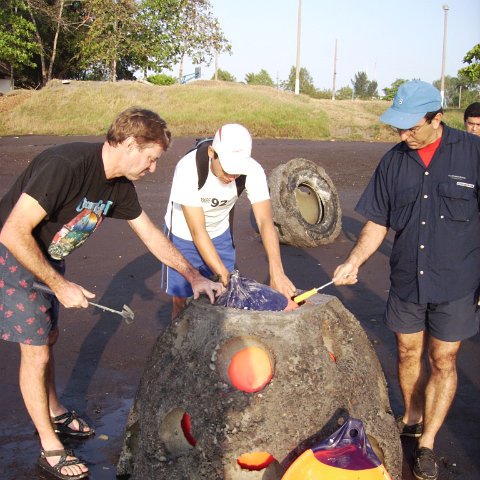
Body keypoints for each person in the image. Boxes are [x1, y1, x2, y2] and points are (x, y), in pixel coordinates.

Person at [0, 107, 224, 480]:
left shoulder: (118, 187)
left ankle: (54, 410)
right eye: (151, 159)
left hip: (46, 258)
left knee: (48, 337)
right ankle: (50, 447)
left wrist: (194, 275)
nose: (153, 169)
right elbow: (12, 232)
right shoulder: (65, 166)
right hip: (12, 255)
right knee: (35, 351)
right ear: (131, 144)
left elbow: (151, 234)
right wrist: (60, 285)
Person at [332, 81, 480, 480]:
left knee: (443, 359)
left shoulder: (473, 153)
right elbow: (377, 221)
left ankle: (428, 442)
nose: (403, 135)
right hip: (407, 281)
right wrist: (354, 261)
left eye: (411, 127)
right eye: (398, 127)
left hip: (458, 281)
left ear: (437, 119)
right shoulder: (393, 162)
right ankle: (412, 416)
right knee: (407, 353)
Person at [164, 123, 296, 318]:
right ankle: (176, 343)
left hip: (219, 232)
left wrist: (277, 272)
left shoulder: (253, 170)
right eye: (228, 169)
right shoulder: (188, 168)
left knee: (225, 297)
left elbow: (265, 222)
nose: (232, 176)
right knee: (182, 302)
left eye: (237, 171)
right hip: (184, 234)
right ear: (212, 152)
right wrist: (226, 276)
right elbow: (197, 230)